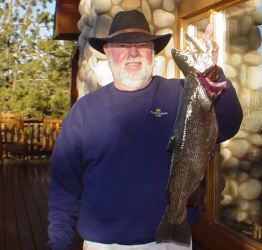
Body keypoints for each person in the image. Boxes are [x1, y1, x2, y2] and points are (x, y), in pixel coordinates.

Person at [48, 10, 243, 250]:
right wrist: (59, 242)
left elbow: (229, 123)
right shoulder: (83, 111)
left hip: (171, 241)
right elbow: (64, 186)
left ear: (152, 52)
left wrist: (211, 72)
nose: (133, 53)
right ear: (108, 52)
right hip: (103, 245)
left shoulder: (182, 94)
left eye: (142, 45)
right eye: (122, 45)